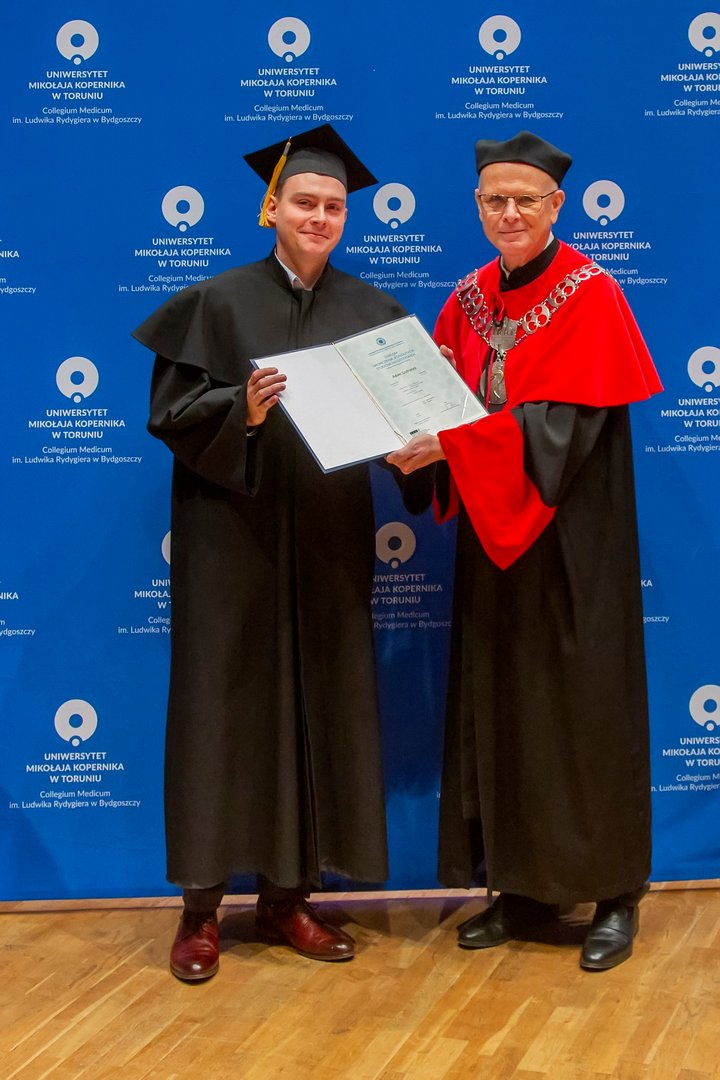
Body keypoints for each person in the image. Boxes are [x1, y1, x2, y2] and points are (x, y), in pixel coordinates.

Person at [133, 125, 405, 980]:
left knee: (319, 698)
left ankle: (290, 898)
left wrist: (420, 447)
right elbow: (171, 414)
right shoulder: (215, 303)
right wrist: (241, 411)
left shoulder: (375, 316)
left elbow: (408, 427)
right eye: (304, 202)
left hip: (328, 540)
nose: (319, 217)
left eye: (333, 207)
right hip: (231, 541)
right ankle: (201, 910)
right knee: (221, 702)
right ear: (271, 209)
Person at [387, 131, 662, 971]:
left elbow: (563, 429)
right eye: (494, 200)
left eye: (525, 200)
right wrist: (411, 426)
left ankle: (612, 893)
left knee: (584, 710)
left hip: (574, 545)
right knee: (504, 709)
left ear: (556, 206)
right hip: (493, 544)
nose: (509, 213)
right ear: (478, 207)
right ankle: (522, 887)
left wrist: (453, 444)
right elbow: (442, 403)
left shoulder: (592, 294)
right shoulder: (467, 299)